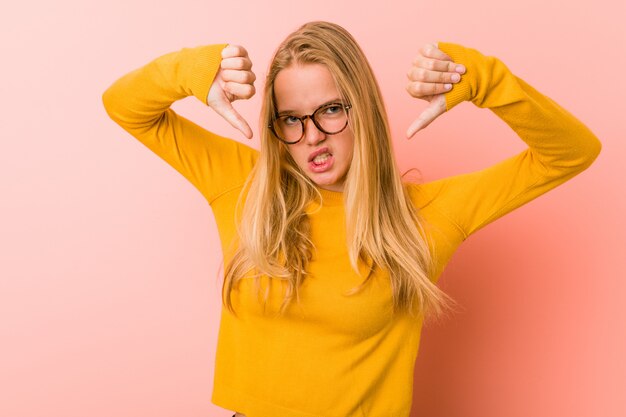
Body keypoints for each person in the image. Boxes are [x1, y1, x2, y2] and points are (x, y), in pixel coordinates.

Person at [102, 21, 601, 417]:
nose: (313, 135)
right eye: (291, 119)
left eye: (332, 110)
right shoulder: (244, 183)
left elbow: (572, 153)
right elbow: (124, 106)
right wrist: (193, 69)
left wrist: (486, 81)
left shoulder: (427, 215)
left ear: (362, 109)